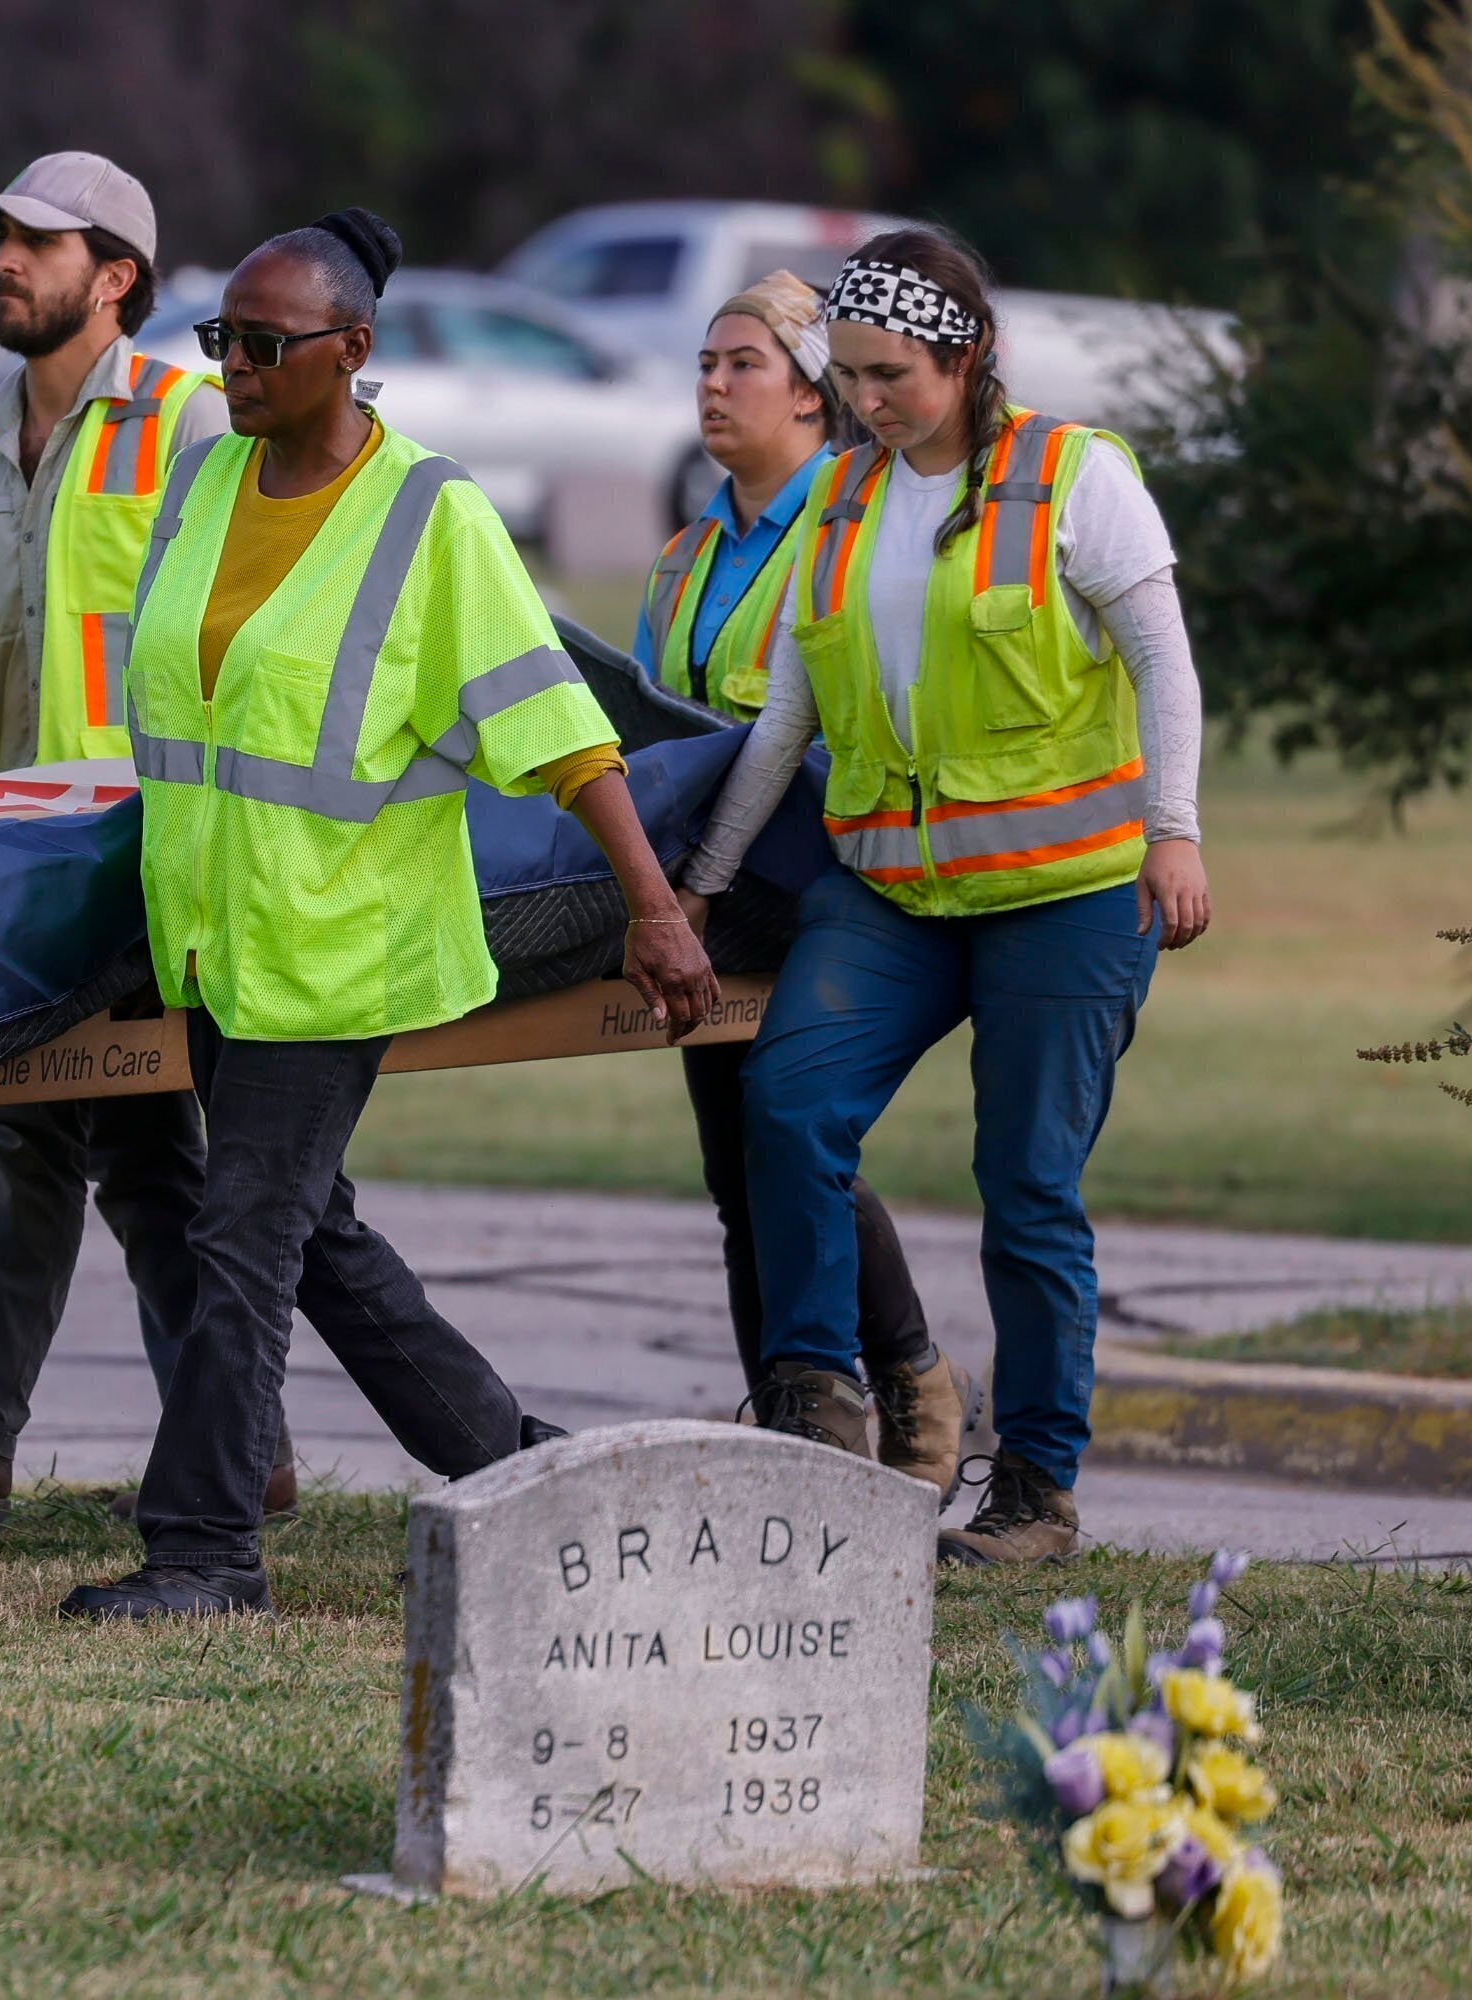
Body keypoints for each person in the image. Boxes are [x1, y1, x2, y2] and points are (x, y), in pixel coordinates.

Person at [57, 209, 721, 1621]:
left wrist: (655, 911)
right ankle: (509, 1464)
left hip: (342, 946)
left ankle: (205, 1551)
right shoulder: (201, 485)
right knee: (314, 1236)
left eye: (262, 343)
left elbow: (555, 726)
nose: (230, 365)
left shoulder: (433, 514)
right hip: (217, 936)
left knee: (244, 1237)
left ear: (352, 353)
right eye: (219, 338)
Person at [673, 226, 1212, 1566]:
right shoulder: (844, 502)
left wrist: (1176, 834)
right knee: (784, 1105)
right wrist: (700, 884)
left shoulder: (1073, 479)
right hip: (893, 895)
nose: (864, 402)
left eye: (890, 374)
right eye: (847, 374)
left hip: (1066, 896)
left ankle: (1034, 1491)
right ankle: (814, 1410)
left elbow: (1165, 665)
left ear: (968, 358)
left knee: (1027, 1187)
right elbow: (787, 716)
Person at [0, 153, 304, 1530]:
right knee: (135, 1147)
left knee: (45, 1125)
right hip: (17, 867)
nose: (6, 263)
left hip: (150, 852)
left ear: (118, 280)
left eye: (39, 243)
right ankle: (234, 1439)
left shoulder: (199, 426)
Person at [638, 276, 972, 1500]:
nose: (714, 386)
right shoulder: (683, 554)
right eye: (705, 364)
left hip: (822, 869)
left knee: (790, 1141)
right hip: (707, 884)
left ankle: (903, 1380)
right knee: (740, 1164)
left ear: (812, 392)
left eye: (743, 364)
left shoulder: (861, 517)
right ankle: (798, 1411)